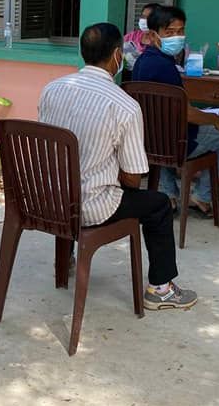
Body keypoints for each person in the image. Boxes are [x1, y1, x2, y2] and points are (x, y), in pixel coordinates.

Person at [39, 23, 197, 310]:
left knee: (81, 175)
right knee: (159, 205)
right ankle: (161, 288)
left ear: (83, 53)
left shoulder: (52, 89)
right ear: (116, 56)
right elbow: (133, 178)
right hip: (89, 206)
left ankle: (66, 258)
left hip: (48, 199)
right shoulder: (124, 105)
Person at [130, 6, 219, 217]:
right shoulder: (164, 66)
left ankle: (169, 194)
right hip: (176, 143)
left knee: (162, 131)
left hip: (148, 141)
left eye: (180, 31)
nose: (176, 37)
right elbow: (186, 114)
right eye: (170, 32)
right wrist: (214, 119)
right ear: (154, 35)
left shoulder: (142, 61)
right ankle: (202, 196)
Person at [122, 2, 160, 69]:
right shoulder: (132, 36)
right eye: (143, 17)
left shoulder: (162, 40)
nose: (145, 20)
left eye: (149, 17)